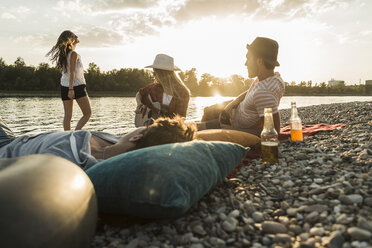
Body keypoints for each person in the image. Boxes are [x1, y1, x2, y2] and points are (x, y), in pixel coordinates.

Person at [0, 115, 196, 170]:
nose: (141, 125)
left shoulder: (75, 161)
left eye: (146, 125)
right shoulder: (115, 142)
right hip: (14, 138)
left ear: (137, 137)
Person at [197, 37, 285, 136]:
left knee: (198, 129)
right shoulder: (274, 79)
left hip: (231, 122)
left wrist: (232, 130)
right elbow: (251, 91)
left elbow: (273, 132)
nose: (245, 63)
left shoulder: (263, 93)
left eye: (248, 58)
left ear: (259, 61)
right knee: (207, 111)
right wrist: (234, 102)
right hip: (235, 109)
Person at [46, 30, 92, 131]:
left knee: (68, 116)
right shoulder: (73, 54)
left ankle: (67, 137)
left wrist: (75, 40)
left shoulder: (64, 55)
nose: (77, 37)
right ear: (70, 40)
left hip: (64, 86)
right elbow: (72, 73)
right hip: (76, 86)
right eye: (75, 36)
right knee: (87, 113)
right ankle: (76, 133)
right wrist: (71, 89)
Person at [135, 54, 190, 127]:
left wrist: (163, 123)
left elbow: (181, 119)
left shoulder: (182, 92)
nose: (153, 76)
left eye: (155, 73)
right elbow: (139, 94)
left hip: (169, 130)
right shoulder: (153, 87)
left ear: (162, 74)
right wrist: (139, 105)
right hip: (149, 127)